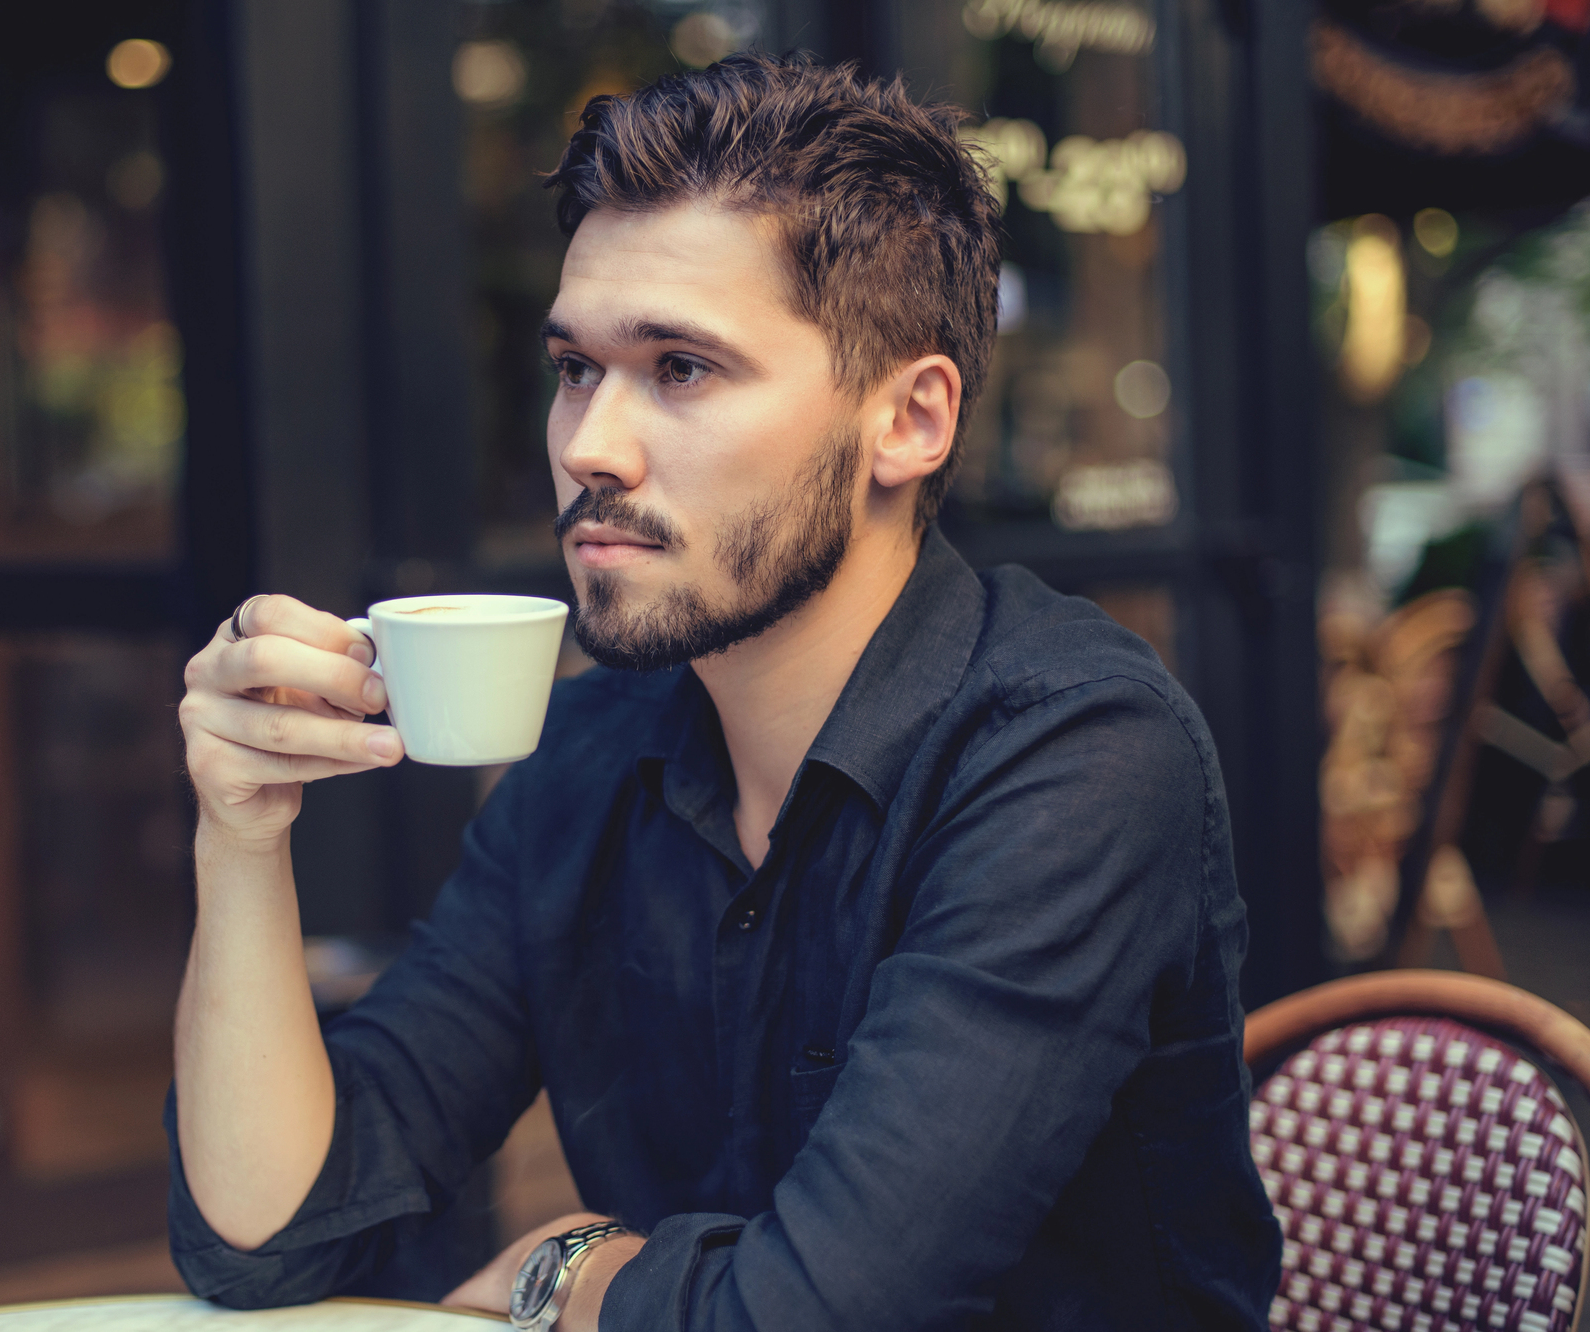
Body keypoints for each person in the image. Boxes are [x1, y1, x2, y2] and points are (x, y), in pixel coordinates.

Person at [169, 53, 1282, 1331]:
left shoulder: (1072, 754)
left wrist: (560, 1268)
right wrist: (241, 834)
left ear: (908, 420)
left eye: (681, 368)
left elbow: (814, 1313)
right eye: (575, 368)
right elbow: (268, 1243)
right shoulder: (595, 751)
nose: (588, 444)